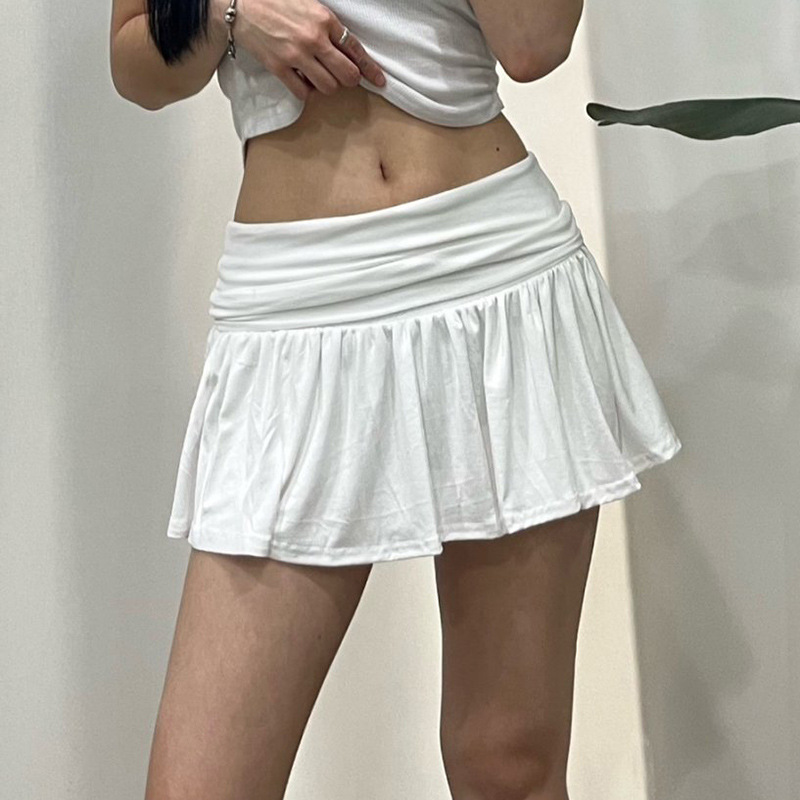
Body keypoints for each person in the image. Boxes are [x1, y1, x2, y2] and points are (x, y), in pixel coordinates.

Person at [110, 1, 682, 798]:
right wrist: (231, 15)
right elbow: (135, 66)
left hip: (493, 273)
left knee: (507, 764)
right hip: (294, 309)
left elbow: (534, 46)